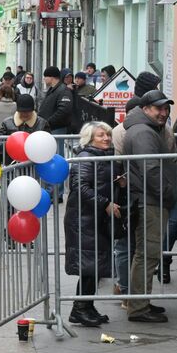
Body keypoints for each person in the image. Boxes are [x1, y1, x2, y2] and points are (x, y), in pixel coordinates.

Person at [123, 91, 176, 323]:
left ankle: (141, 302)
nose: (163, 113)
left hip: (149, 198)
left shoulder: (144, 129)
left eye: (165, 109)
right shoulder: (144, 132)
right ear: (145, 109)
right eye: (158, 109)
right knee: (147, 254)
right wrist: (168, 194)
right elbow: (151, 169)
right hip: (150, 200)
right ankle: (138, 307)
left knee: (147, 253)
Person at [63, 122, 123, 327]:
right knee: (89, 266)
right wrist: (105, 203)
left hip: (94, 219)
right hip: (83, 219)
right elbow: (80, 187)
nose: (106, 138)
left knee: (94, 265)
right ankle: (79, 309)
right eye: (100, 135)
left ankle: (86, 306)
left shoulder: (102, 157)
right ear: (89, 139)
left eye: (107, 134)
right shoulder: (86, 158)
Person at [37, 66, 74, 134]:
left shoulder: (63, 90)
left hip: (57, 129)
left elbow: (63, 111)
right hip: (50, 129)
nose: (44, 79)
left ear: (51, 77)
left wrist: (47, 122)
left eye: (45, 76)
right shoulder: (53, 89)